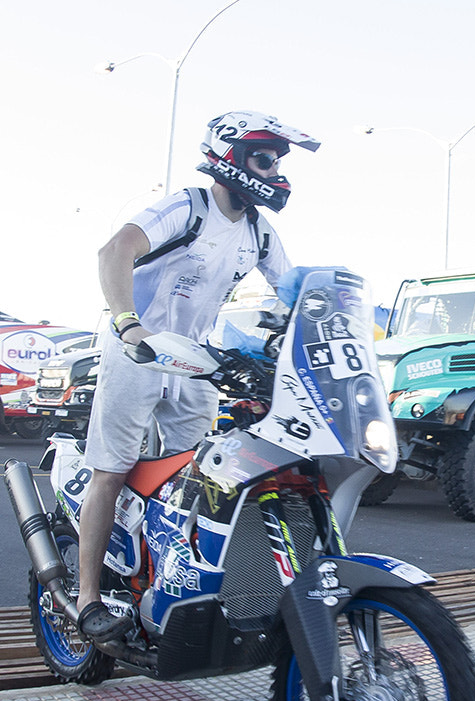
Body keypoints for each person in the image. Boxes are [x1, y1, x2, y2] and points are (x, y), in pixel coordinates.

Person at [76, 111, 320, 641]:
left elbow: (296, 295)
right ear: (230, 154)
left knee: (194, 477)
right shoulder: (188, 206)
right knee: (112, 470)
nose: (274, 168)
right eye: (265, 157)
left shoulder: (259, 231)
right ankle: (88, 597)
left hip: (196, 363)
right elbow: (114, 250)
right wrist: (127, 325)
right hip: (138, 348)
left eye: (277, 159)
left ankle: (167, 585)